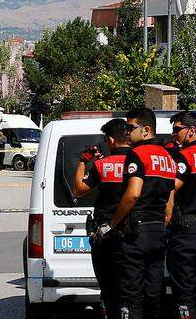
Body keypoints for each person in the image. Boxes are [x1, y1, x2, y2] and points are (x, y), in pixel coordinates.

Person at [104, 108, 176, 319]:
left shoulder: (137, 154)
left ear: (145, 130)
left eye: (130, 127)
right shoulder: (167, 157)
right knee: (153, 294)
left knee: (131, 296)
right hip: (158, 231)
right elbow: (170, 202)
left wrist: (113, 223)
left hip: (136, 232)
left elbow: (133, 194)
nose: (126, 131)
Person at [72, 119, 130, 319]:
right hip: (133, 234)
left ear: (112, 140)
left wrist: (82, 160)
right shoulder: (139, 161)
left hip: (105, 234)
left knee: (108, 288)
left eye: (106, 140)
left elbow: (78, 190)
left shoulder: (102, 165)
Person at [166, 111, 196, 319]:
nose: (174, 134)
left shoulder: (184, 156)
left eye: (177, 129)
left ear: (192, 130)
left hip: (185, 229)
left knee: (185, 291)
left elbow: (171, 189)